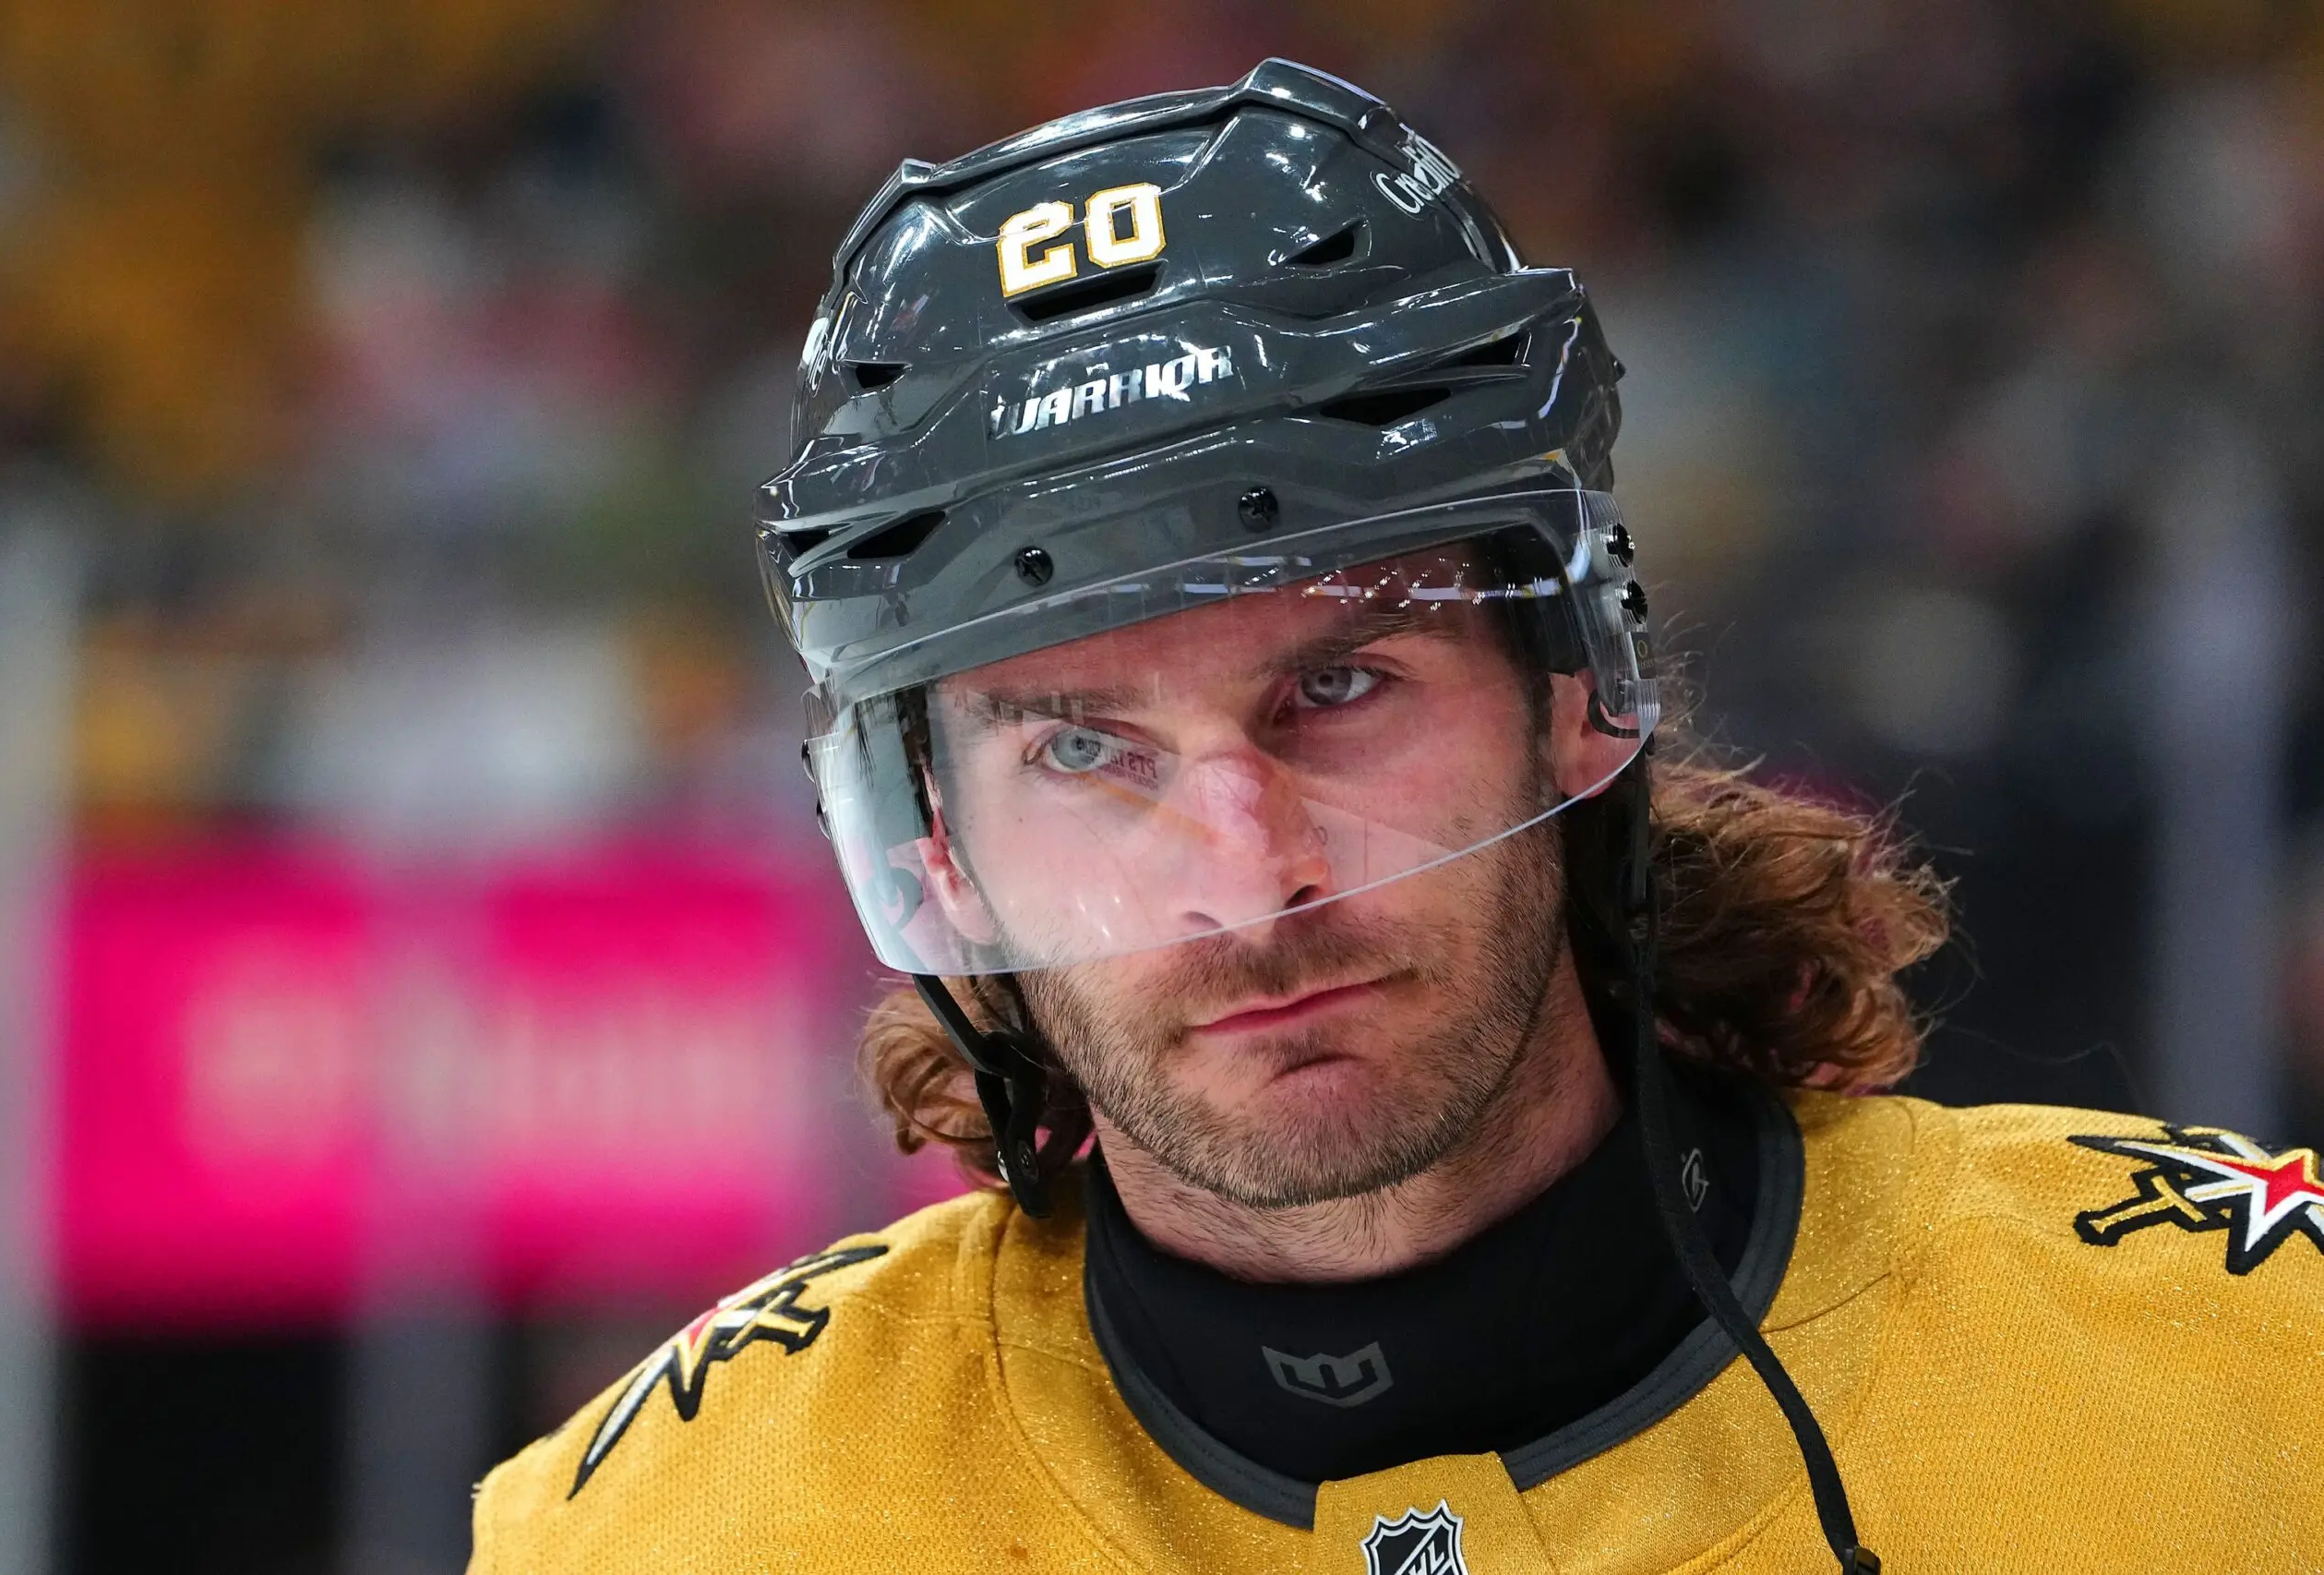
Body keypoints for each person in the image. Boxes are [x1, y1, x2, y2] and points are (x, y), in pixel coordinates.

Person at [468, 61, 2324, 1574]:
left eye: (1336, 690)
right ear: (931, 841)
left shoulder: (2251, 1378)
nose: (1242, 879)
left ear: (1572, 682)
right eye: (1079, 750)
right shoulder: (665, 1536)